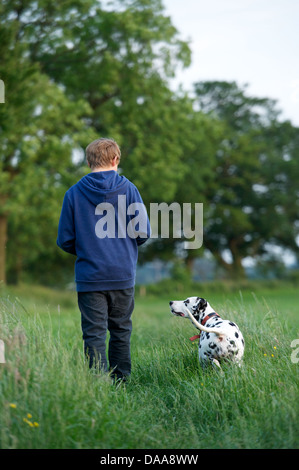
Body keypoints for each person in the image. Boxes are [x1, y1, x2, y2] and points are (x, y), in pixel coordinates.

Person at [57, 138, 151, 382]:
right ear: (115, 160)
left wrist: (90, 249)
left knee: (94, 333)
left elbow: (65, 239)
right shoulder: (129, 189)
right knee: (121, 330)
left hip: (90, 277)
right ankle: (121, 381)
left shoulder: (73, 193)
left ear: (88, 162)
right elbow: (143, 233)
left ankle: (98, 383)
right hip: (122, 274)